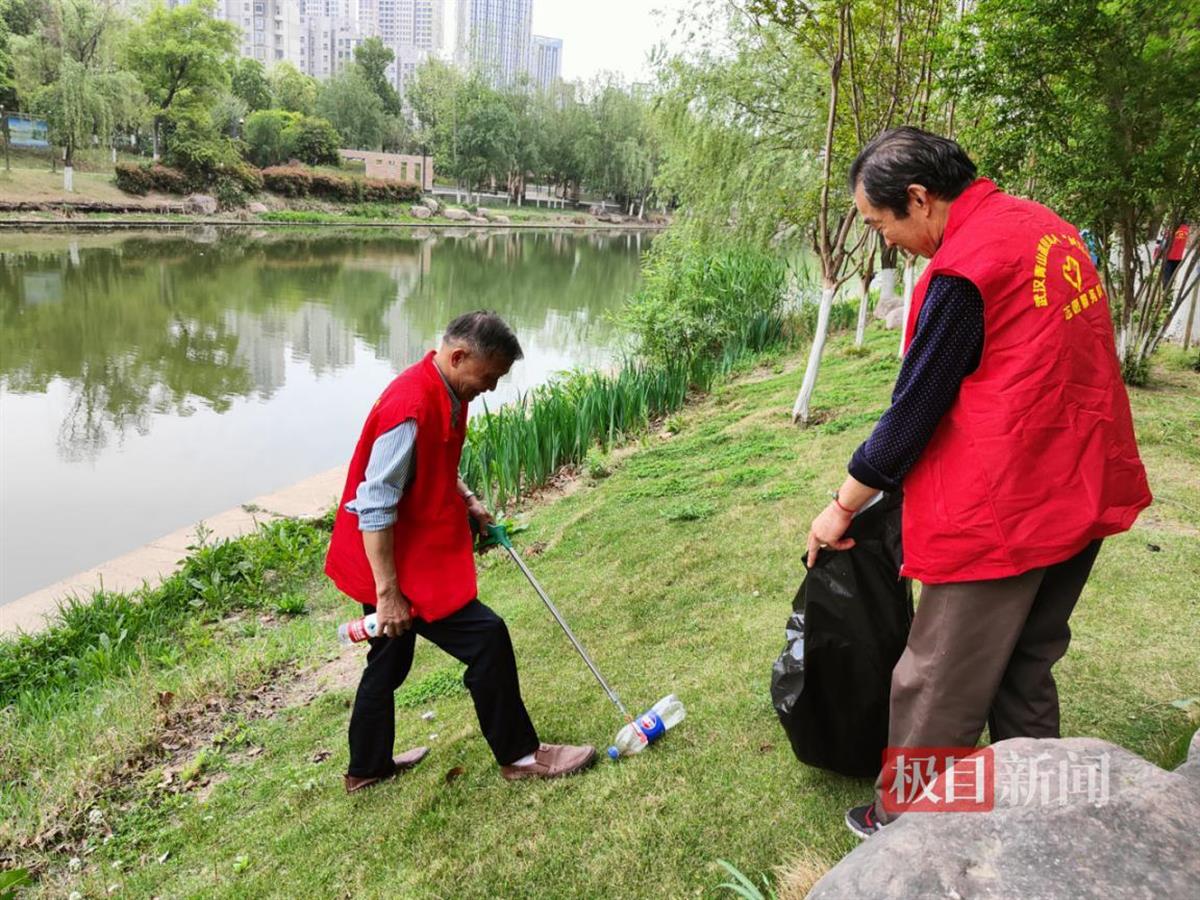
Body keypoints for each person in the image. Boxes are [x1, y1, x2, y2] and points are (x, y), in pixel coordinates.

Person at [805, 127, 1152, 838]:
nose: (883, 240)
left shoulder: (968, 269)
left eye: (879, 223)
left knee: (938, 678)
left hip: (1008, 512)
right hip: (1080, 484)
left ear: (919, 198)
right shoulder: (1045, 228)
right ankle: (1039, 811)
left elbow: (913, 415)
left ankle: (903, 824)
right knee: (1026, 660)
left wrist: (841, 506)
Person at [325, 311, 596, 793]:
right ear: (458, 356)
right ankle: (520, 755)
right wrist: (388, 594)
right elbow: (375, 504)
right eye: (489, 376)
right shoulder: (410, 407)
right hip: (396, 564)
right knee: (486, 638)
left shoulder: (448, 392)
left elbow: (436, 461)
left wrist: (468, 500)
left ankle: (366, 768)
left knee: (388, 660)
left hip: (407, 552)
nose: (491, 387)